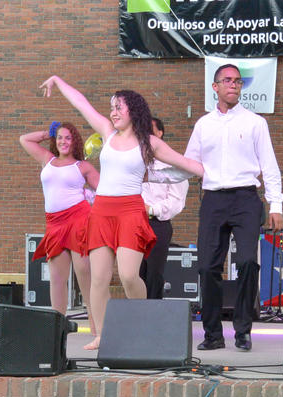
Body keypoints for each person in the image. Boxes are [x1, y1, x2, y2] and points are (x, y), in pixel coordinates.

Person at [39, 75, 204, 350]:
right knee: (99, 278)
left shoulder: (149, 142)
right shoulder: (107, 132)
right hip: (102, 211)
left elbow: (188, 166)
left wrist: (164, 176)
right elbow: (82, 104)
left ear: (134, 111)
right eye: (112, 107)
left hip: (130, 211)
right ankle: (102, 335)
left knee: (129, 275)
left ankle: (142, 324)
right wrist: (57, 81)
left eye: (119, 107)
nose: (113, 112)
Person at [186, 63, 283, 352]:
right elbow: (189, 165)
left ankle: (243, 330)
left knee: (247, 263)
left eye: (238, 81)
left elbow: (270, 166)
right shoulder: (204, 124)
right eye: (227, 81)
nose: (234, 85)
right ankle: (213, 333)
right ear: (214, 87)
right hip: (214, 199)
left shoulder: (255, 122)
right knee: (206, 267)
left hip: (246, 199)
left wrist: (275, 204)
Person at [19, 121, 100, 335]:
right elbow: (24, 139)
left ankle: (97, 328)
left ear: (75, 142)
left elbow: (104, 191)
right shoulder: (47, 159)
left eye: (68, 137)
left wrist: (90, 197)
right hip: (54, 223)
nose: (63, 141)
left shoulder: (82, 166)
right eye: (60, 137)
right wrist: (49, 132)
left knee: (84, 272)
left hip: (78, 219)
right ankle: (57, 330)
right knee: (56, 277)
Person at [140, 117, 189, 299]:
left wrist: (151, 209)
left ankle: (152, 316)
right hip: (132, 224)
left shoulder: (172, 164)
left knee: (154, 274)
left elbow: (177, 201)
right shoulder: (135, 162)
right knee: (133, 273)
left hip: (157, 224)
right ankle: (135, 314)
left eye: (150, 130)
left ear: (160, 133)